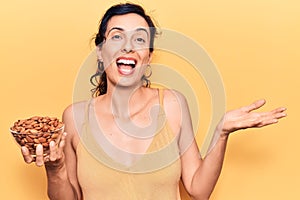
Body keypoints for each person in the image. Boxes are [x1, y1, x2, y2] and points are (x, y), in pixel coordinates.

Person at [21, 3, 287, 200]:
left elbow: (198, 189)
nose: (128, 46)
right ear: (101, 53)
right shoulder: (75, 117)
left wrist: (221, 132)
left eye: (139, 39)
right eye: (116, 37)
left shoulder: (172, 104)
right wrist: (55, 170)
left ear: (148, 56)